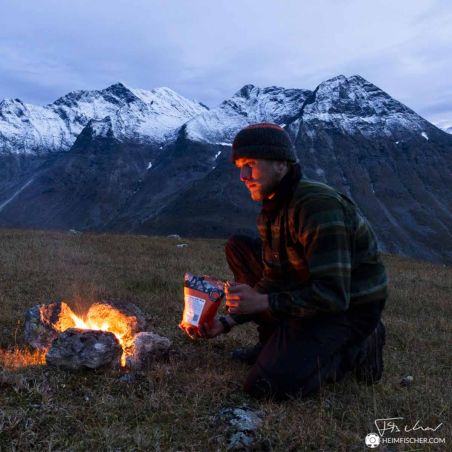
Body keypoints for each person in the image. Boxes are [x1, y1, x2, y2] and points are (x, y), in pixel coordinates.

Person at [199, 122, 388, 400]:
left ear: (281, 163)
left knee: (265, 386)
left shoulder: (318, 208)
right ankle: (271, 339)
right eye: (240, 166)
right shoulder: (273, 208)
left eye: (250, 164)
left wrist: (263, 302)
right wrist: (227, 322)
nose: (243, 175)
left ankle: (358, 348)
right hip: (309, 292)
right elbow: (274, 278)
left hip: (350, 308)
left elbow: (334, 295)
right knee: (238, 247)